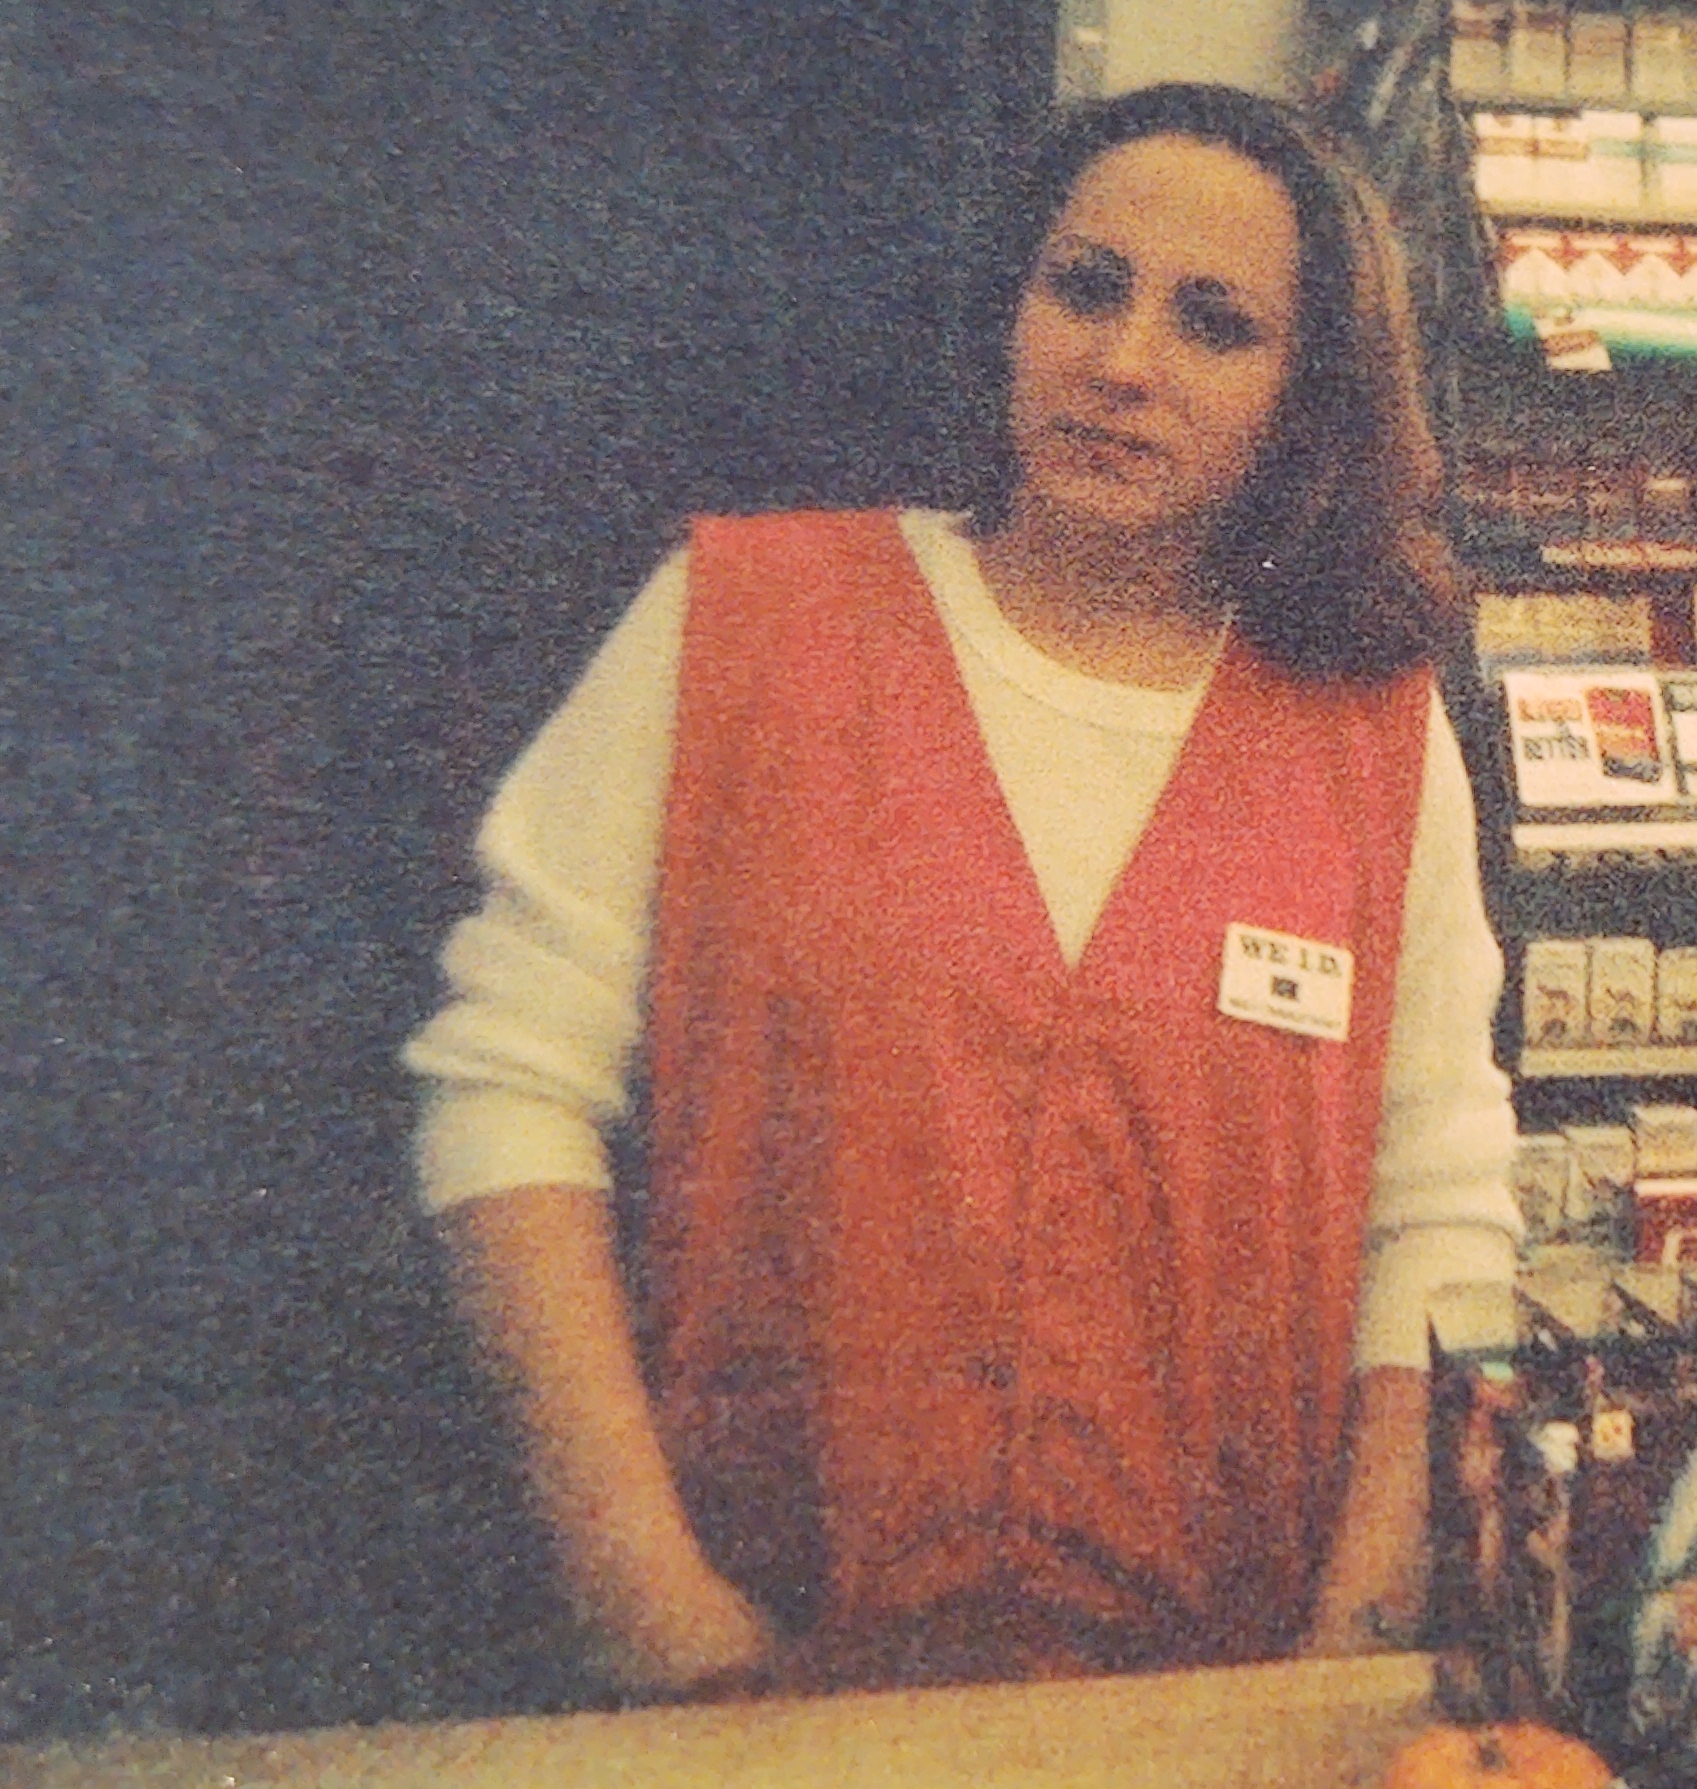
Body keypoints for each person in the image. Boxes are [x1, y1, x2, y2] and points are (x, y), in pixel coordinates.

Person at [402, 82, 1523, 1699]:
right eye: (1086, 286)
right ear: (1011, 306)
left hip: (1207, 1691)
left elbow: (1440, 1203)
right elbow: (505, 1086)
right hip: (764, 1670)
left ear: (1311, 394)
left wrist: (1346, 1643)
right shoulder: (741, 622)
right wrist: (651, 1600)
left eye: (1214, 323)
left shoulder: (1377, 738)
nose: (1123, 360)